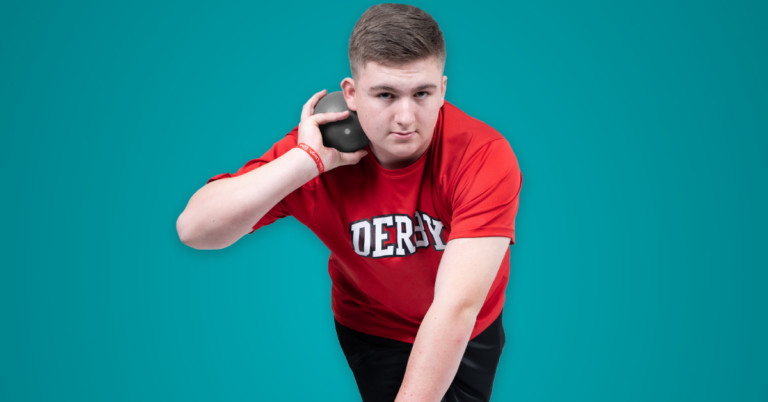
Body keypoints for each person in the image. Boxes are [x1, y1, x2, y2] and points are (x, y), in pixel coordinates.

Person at [176, 3, 522, 401]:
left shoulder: (483, 156)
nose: (405, 118)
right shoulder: (316, 151)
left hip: (469, 323)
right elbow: (194, 230)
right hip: (373, 327)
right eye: (386, 95)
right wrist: (305, 163)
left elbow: (455, 307)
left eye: (422, 94)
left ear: (443, 89)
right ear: (351, 94)